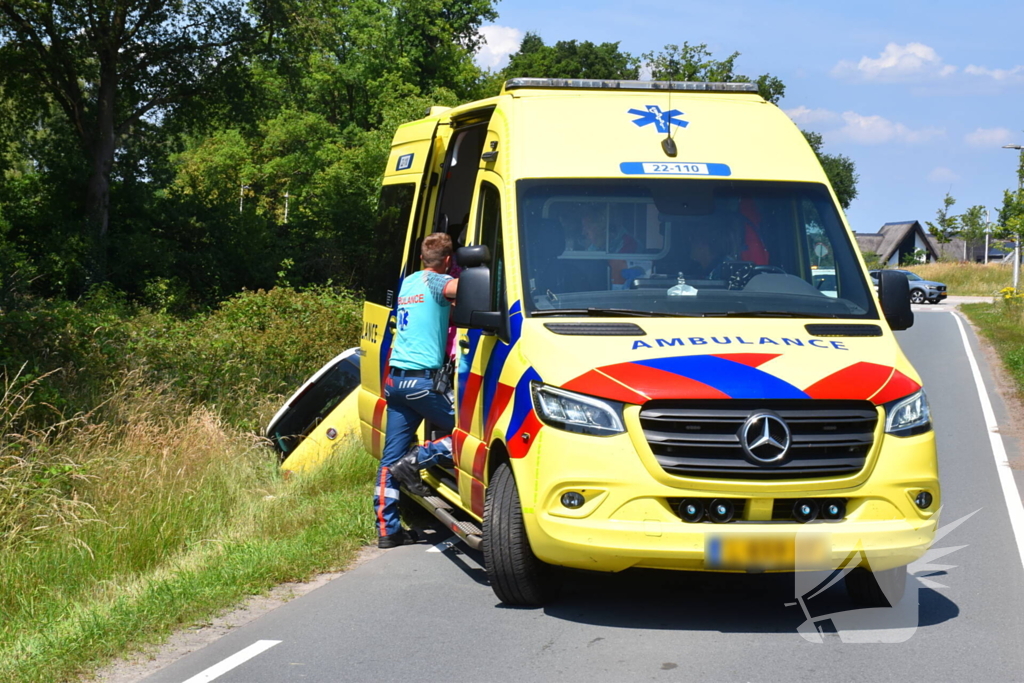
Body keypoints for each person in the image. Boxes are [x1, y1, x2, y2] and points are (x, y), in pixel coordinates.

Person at [374, 232, 459, 549]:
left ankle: (387, 531)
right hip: (422, 384)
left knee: (387, 461)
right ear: (448, 261)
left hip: (395, 382)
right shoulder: (439, 282)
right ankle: (417, 459)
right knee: (467, 436)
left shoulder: (408, 283)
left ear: (423, 258)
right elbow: (465, 290)